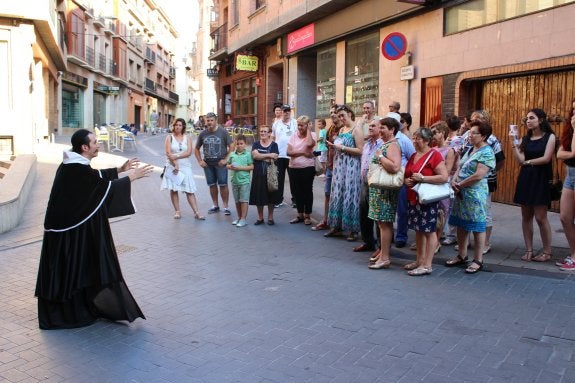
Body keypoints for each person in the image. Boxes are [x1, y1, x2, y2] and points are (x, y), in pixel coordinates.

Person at [35, 129, 153, 329]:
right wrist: (131, 177)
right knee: (72, 269)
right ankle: (67, 314)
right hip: (67, 233)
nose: (98, 145)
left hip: (67, 229)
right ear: (84, 147)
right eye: (95, 142)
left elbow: (94, 178)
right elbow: (98, 187)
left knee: (75, 268)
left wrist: (119, 169)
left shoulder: (74, 165)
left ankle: (79, 307)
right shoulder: (75, 169)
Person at [445, 120, 495, 273]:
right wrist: (454, 180)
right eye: (470, 132)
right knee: (461, 224)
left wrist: (460, 184)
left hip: (474, 194)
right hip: (461, 193)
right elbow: (460, 166)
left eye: (474, 133)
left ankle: (478, 260)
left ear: (484, 135)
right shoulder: (471, 148)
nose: (470, 135)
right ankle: (462, 255)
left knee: (477, 226)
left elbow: (479, 175)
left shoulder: (487, 152)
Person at [511, 108, 556, 262]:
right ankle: (529, 250)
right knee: (526, 216)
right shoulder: (525, 138)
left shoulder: (550, 137)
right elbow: (519, 160)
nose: (528, 121)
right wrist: (514, 143)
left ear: (541, 120)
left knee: (541, 217)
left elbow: (546, 158)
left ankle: (547, 252)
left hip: (541, 178)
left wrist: (528, 162)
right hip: (526, 178)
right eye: (527, 118)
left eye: (532, 118)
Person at [403, 127, 448, 276]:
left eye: (418, 138)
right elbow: (408, 174)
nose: (414, 141)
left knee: (429, 231)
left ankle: (427, 265)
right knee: (418, 230)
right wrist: (407, 181)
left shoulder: (434, 155)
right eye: (414, 138)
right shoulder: (414, 155)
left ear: (427, 140)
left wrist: (423, 178)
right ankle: (419, 261)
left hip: (427, 199)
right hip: (413, 197)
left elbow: (443, 177)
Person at [367, 117, 402, 269]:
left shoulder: (393, 145)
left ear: (392, 129)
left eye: (383, 128)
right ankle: (383, 255)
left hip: (385, 191)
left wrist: (380, 156)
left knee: (385, 224)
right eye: (380, 128)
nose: (380, 130)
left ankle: (385, 257)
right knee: (382, 224)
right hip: (379, 190)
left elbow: (395, 167)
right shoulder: (387, 144)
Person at [325, 104, 364, 241]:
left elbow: (360, 151)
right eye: (339, 115)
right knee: (338, 194)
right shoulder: (341, 129)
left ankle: (353, 230)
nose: (341, 118)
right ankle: (336, 227)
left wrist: (341, 147)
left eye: (343, 115)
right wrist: (333, 146)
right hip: (339, 166)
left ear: (350, 114)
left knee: (350, 195)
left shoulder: (356, 129)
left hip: (351, 167)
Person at [161, 118, 205, 220]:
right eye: (176, 125)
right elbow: (168, 153)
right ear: (173, 126)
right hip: (172, 166)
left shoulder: (187, 138)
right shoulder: (169, 137)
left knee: (189, 190)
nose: (178, 127)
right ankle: (177, 211)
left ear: (183, 127)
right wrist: (175, 164)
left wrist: (176, 156)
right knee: (174, 189)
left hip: (185, 166)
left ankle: (197, 212)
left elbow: (189, 152)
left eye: (180, 125)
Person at [194, 112, 234, 215]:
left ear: (216, 121)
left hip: (220, 164)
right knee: (212, 185)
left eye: (212, 120)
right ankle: (215, 205)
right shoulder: (203, 133)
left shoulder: (223, 132)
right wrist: (200, 161)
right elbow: (196, 149)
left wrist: (226, 160)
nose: (210, 122)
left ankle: (226, 207)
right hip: (208, 164)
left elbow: (232, 147)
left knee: (223, 185)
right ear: (206, 121)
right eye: (208, 120)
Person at [355, 115, 382, 254]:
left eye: (373, 126)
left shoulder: (383, 145)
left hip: (377, 184)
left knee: (377, 215)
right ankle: (368, 242)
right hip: (365, 183)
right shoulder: (367, 144)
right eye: (369, 126)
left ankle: (382, 247)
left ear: (380, 128)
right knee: (364, 212)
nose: (370, 128)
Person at [312, 104, 342, 231]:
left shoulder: (345, 129)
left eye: (334, 112)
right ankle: (326, 220)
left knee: (340, 196)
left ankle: (338, 224)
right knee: (327, 194)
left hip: (340, 168)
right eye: (331, 112)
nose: (332, 115)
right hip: (330, 166)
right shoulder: (330, 129)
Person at [430, 121, 458, 253]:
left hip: (442, 186)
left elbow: (447, 170)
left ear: (442, 133)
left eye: (435, 132)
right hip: (432, 184)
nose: (433, 135)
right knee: (433, 213)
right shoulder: (432, 150)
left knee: (441, 213)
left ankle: (436, 242)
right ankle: (432, 241)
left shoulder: (449, 150)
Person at [391, 112, 415, 248]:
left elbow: (412, 159)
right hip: (387, 180)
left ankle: (401, 236)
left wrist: (407, 177)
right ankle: (388, 235)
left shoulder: (404, 140)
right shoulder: (384, 140)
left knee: (402, 210)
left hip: (401, 181)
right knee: (388, 209)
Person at [556, 98, 575, 271]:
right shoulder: (570, 131)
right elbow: (560, 154)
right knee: (565, 217)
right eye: (574, 111)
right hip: (571, 173)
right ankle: (573, 254)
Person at [287, 115, 316, 225]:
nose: (299, 127)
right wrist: (303, 153)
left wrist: (308, 130)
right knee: (297, 192)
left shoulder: (312, 135)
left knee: (307, 191)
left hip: (307, 168)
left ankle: (307, 215)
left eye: (302, 125)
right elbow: (288, 152)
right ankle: (300, 214)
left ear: (307, 126)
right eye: (298, 125)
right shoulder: (293, 136)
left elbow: (309, 144)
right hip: (294, 167)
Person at [249, 125, 281, 225]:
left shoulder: (274, 145)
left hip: (271, 175)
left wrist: (261, 156)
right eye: (261, 131)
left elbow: (275, 157)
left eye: (265, 131)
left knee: (271, 196)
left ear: (269, 133)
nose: (262, 133)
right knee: (259, 196)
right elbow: (255, 156)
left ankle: (270, 218)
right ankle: (260, 218)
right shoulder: (256, 144)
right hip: (258, 174)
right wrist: (268, 155)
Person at [271, 104, 297, 208]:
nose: (286, 113)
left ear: (290, 112)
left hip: (292, 155)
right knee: (279, 179)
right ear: (281, 112)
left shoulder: (295, 123)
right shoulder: (276, 124)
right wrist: (272, 152)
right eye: (284, 111)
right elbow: (272, 138)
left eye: (288, 111)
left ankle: (295, 200)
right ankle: (278, 200)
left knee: (294, 179)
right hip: (279, 155)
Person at [226, 134, 253, 227]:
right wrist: (230, 166)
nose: (239, 145)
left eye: (241, 144)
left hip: (244, 181)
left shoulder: (248, 154)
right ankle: (239, 217)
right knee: (237, 201)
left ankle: (243, 219)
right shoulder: (232, 154)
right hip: (234, 181)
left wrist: (239, 168)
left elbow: (251, 166)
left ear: (245, 144)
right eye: (237, 144)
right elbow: (227, 165)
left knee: (244, 200)